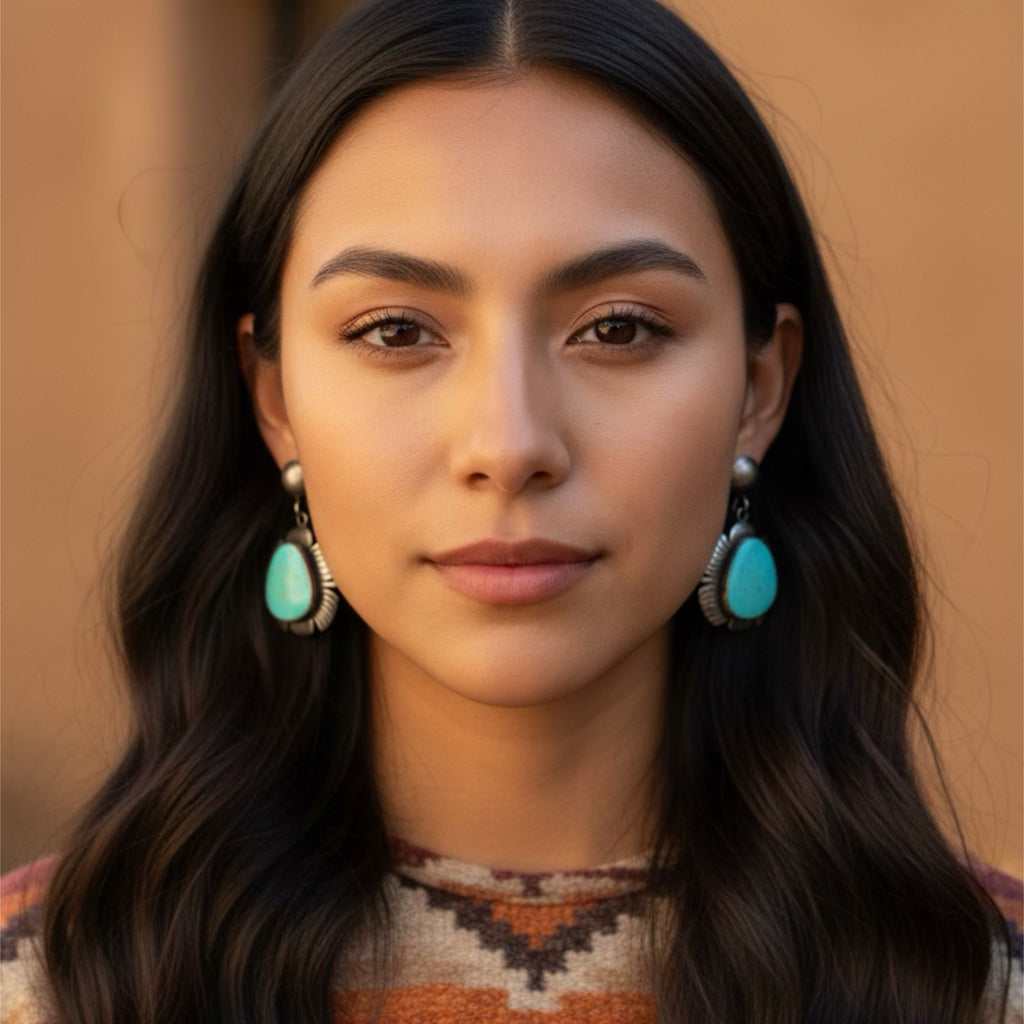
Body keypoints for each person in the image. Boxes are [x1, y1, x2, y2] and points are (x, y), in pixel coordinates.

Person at [1, 0, 1020, 1021]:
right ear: (273, 401)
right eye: (396, 329)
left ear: (759, 390)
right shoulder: (58, 983)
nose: (509, 443)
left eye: (617, 327)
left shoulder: (970, 984)